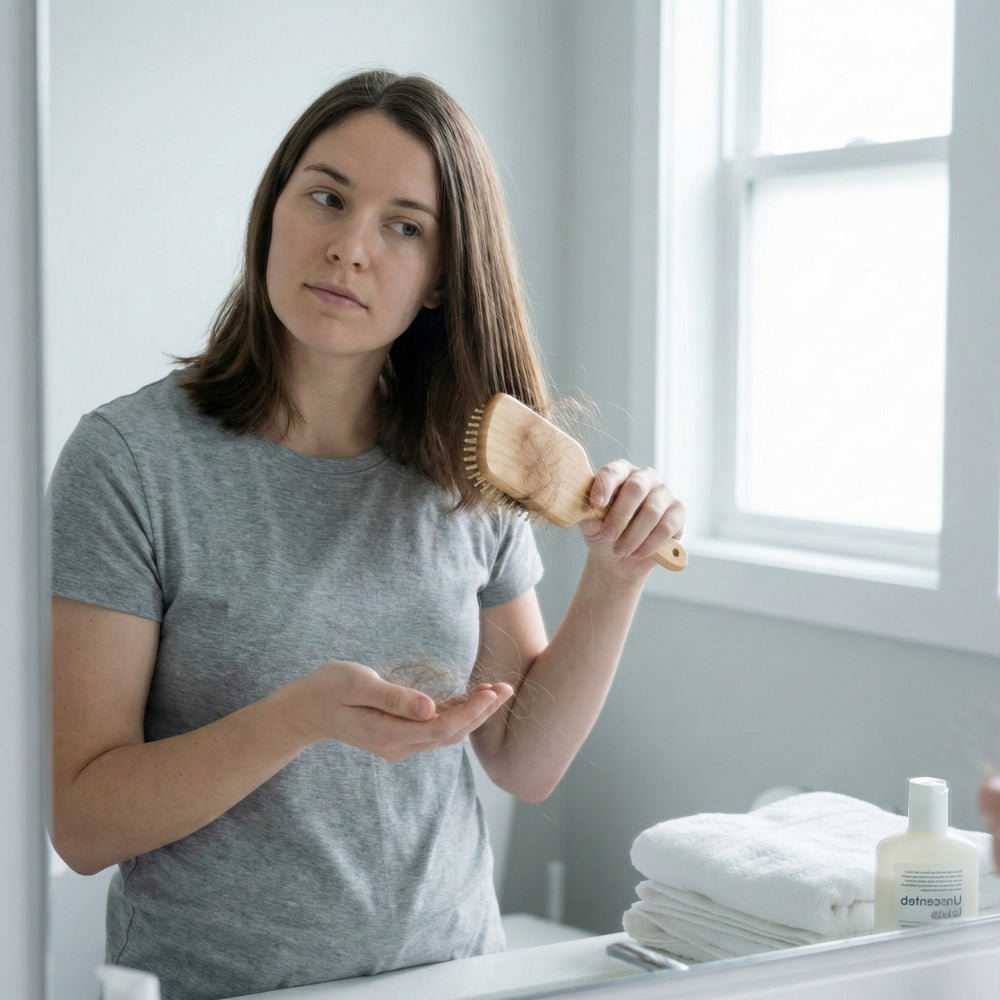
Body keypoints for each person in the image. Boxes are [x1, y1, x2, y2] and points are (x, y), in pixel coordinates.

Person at [48, 69, 686, 1000]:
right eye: (326, 197)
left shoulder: (472, 463)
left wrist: (616, 578)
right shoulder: (131, 462)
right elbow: (81, 819)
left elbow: (525, 758)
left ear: (438, 279)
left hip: (451, 975)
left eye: (405, 225)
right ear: (274, 213)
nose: (349, 247)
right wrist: (297, 721)